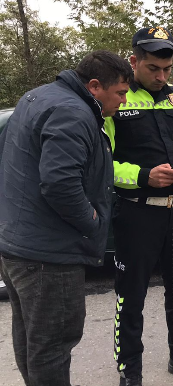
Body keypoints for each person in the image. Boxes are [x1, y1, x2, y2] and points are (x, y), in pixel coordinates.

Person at [0, 50, 132, 386]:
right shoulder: (73, 113)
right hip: (49, 255)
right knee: (53, 345)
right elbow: (60, 183)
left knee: (31, 336)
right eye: (119, 93)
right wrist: (93, 224)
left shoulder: (36, 97)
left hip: (17, 244)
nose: (123, 100)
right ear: (94, 86)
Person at [104, 27, 173, 386]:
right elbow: (103, 164)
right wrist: (144, 176)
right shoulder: (116, 99)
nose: (162, 76)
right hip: (137, 211)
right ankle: (129, 372)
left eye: (167, 69)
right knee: (130, 295)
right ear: (134, 61)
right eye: (153, 68)